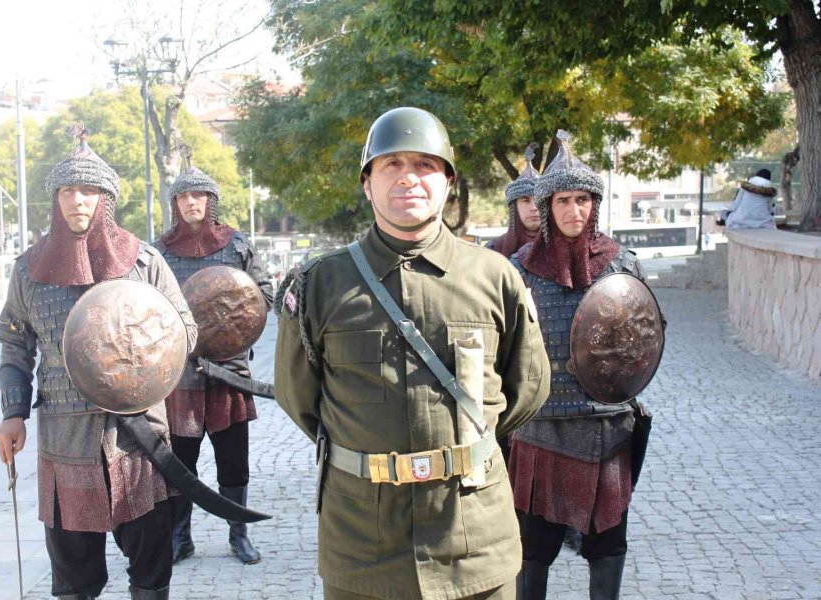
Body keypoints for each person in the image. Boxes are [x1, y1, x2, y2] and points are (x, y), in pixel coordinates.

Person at [274, 107, 551, 600]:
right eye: (391, 165)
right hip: (363, 544)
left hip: (474, 540)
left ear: (448, 181)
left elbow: (526, 388)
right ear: (367, 183)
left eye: (424, 165)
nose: (408, 178)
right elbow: (299, 398)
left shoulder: (495, 277)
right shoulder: (320, 284)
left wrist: (462, 449)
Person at [0, 131, 197, 600]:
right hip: (65, 438)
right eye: (67, 191)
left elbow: (184, 329)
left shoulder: (144, 262)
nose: (77, 201)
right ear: (55, 199)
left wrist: (143, 351)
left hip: (138, 434)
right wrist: (12, 412)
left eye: (88, 191)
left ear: (106, 198)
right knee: (74, 577)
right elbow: (14, 345)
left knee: (151, 567)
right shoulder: (29, 270)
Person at [507, 131, 654, 600]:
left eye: (585, 200)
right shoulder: (519, 267)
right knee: (531, 552)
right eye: (564, 201)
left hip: (606, 429)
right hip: (539, 429)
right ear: (547, 206)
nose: (575, 211)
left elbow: (647, 334)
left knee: (608, 547)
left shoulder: (622, 266)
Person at [155, 165, 272, 565]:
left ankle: (238, 535)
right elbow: (149, 307)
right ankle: (179, 537)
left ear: (211, 201)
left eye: (199, 195)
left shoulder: (236, 245)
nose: (192, 202)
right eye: (184, 196)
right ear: (175, 203)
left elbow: (263, 293)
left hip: (228, 374)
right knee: (180, 464)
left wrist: (234, 332)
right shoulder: (160, 253)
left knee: (233, 462)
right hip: (181, 377)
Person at [488, 143, 541, 258]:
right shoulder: (493, 249)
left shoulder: (562, 246)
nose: (534, 207)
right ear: (514, 207)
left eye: (539, 200)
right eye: (525, 200)